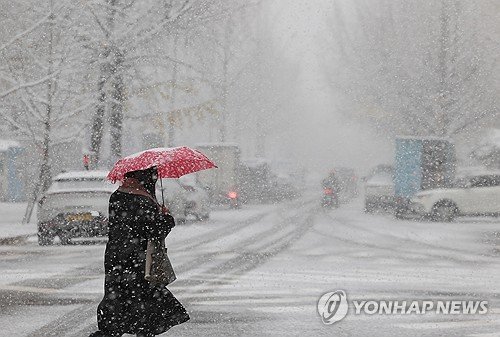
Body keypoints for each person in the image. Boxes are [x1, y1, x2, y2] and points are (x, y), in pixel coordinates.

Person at [90, 167, 189, 337]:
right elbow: (153, 232)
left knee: (118, 298)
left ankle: (111, 331)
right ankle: (142, 331)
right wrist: (166, 219)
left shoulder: (117, 196)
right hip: (138, 258)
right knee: (144, 302)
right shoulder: (143, 200)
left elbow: (125, 226)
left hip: (116, 256)